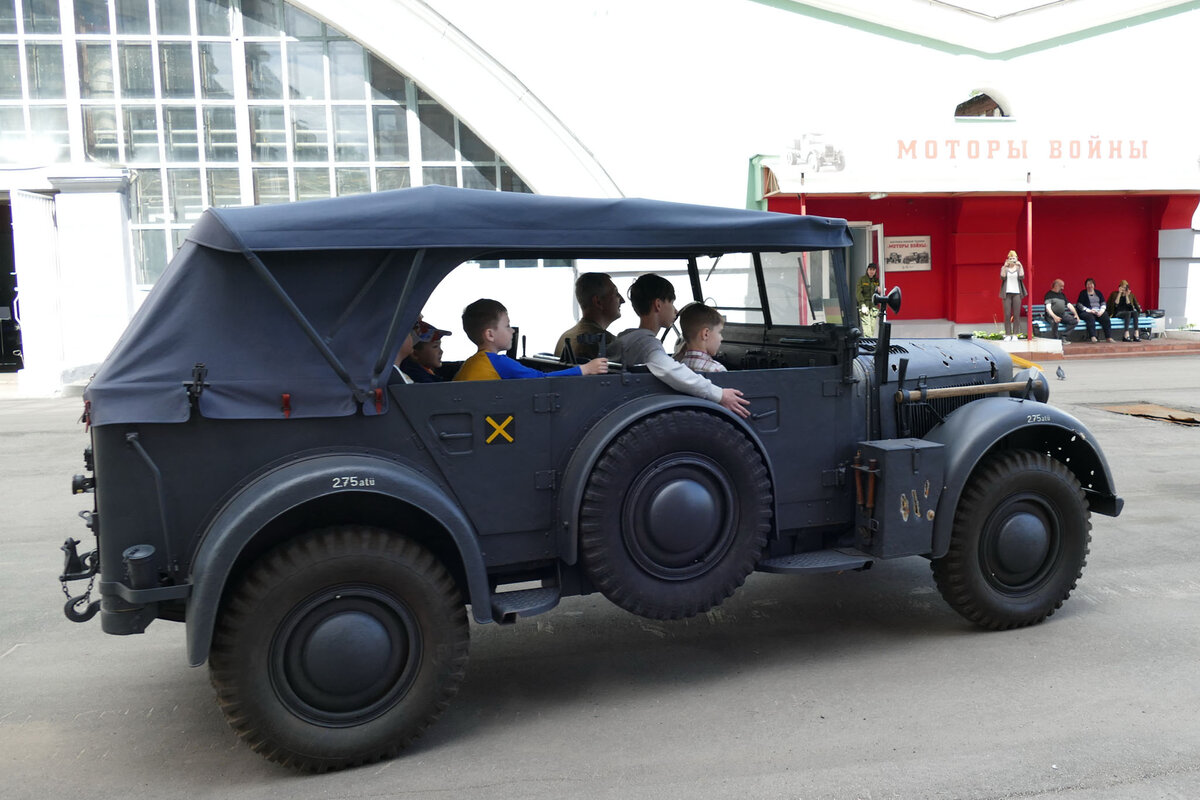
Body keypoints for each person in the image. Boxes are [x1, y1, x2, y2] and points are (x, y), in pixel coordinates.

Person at [609, 274, 749, 418]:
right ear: (658, 305)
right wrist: (719, 394)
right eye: (672, 303)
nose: (676, 311)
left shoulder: (627, 337)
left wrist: (678, 356)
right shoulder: (647, 343)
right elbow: (667, 369)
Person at [453, 298, 607, 381]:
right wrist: (585, 369)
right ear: (490, 335)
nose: (512, 330)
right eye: (507, 326)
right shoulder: (499, 362)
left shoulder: (471, 363)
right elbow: (540, 379)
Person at [554, 272, 624, 361]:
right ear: (598, 302)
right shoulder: (604, 341)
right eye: (616, 294)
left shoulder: (565, 337)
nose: (622, 300)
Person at [674, 302, 727, 373]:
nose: (721, 338)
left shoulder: (677, 367)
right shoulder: (717, 370)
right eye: (719, 332)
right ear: (705, 334)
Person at [999, 250, 1026, 341]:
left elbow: (1022, 276)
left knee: (1016, 314)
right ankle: (1007, 334)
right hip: (1007, 293)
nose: (1012, 260)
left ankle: (1015, 334)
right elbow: (1002, 277)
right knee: (1007, 314)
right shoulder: (1005, 268)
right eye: (1010, 258)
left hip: (1017, 292)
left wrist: (1020, 265)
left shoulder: (1018, 268)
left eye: (1013, 258)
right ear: (1008, 259)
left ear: (1017, 259)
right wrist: (1004, 266)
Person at [1076, 278, 1113, 342]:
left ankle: (1108, 337)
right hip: (1087, 311)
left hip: (1098, 311)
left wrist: (1101, 311)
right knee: (1090, 318)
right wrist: (1089, 310)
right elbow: (1079, 305)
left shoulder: (1098, 293)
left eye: (1091, 284)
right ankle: (1093, 337)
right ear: (1086, 285)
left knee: (1105, 317)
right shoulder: (1083, 293)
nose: (1090, 286)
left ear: (1094, 285)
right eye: (1088, 284)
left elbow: (1103, 303)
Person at [856, 263, 880, 337]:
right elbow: (858, 293)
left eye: (873, 270)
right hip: (865, 304)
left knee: (872, 327)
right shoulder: (862, 279)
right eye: (870, 269)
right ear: (867, 270)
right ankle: (869, 344)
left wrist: (879, 290)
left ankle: (870, 344)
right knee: (867, 327)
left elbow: (878, 294)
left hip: (874, 306)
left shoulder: (876, 280)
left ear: (875, 271)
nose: (871, 271)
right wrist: (862, 305)